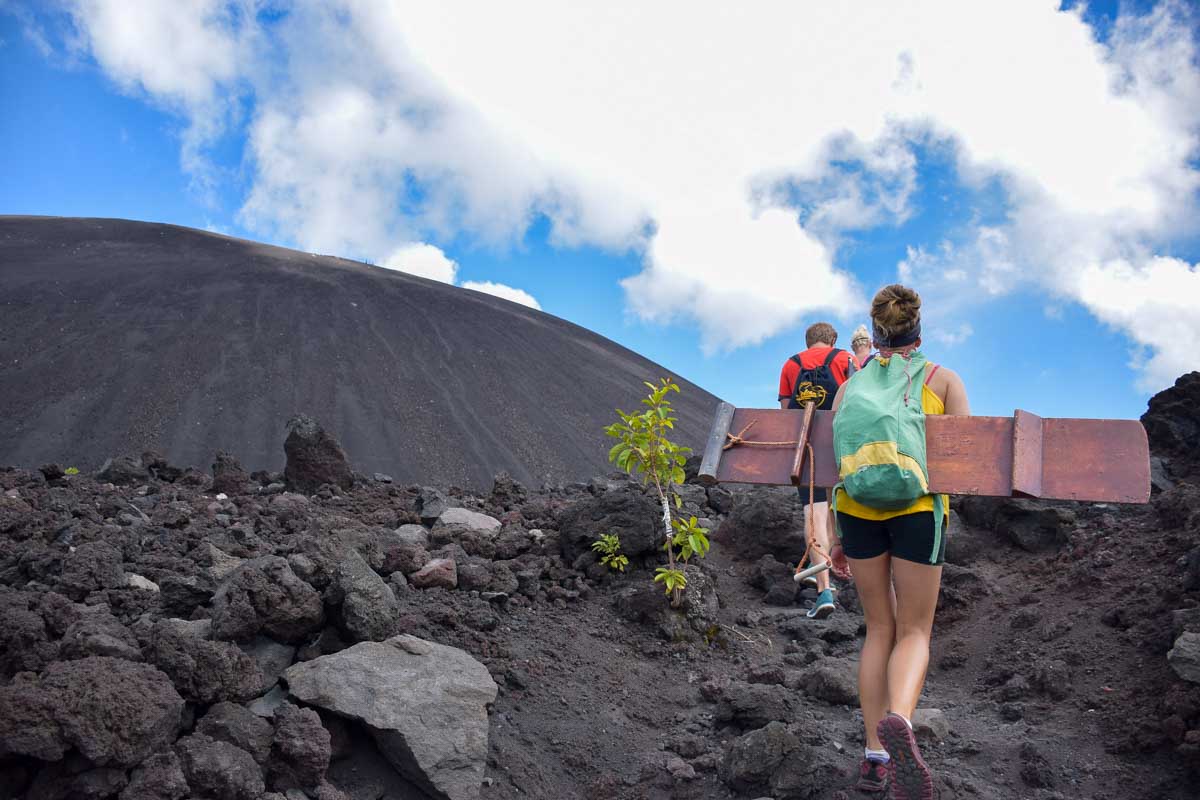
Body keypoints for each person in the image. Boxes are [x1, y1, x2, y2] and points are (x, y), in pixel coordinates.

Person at [828, 285, 969, 797]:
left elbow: (833, 464)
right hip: (917, 511)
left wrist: (838, 535)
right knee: (914, 631)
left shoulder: (850, 387)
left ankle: (873, 757)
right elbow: (964, 460)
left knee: (878, 628)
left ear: (877, 331)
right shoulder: (943, 380)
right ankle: (902, 723)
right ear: (918, 327)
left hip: (857, 511)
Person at [777, 321, 855, 619]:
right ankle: (851, 570)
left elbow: (786, 414)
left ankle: (823, 590)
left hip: (806, 449)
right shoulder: (845, 358)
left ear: (807, 341)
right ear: (832, 339)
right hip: (839, 447)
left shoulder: (790, 364)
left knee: (814, 513)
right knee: (841, 508)